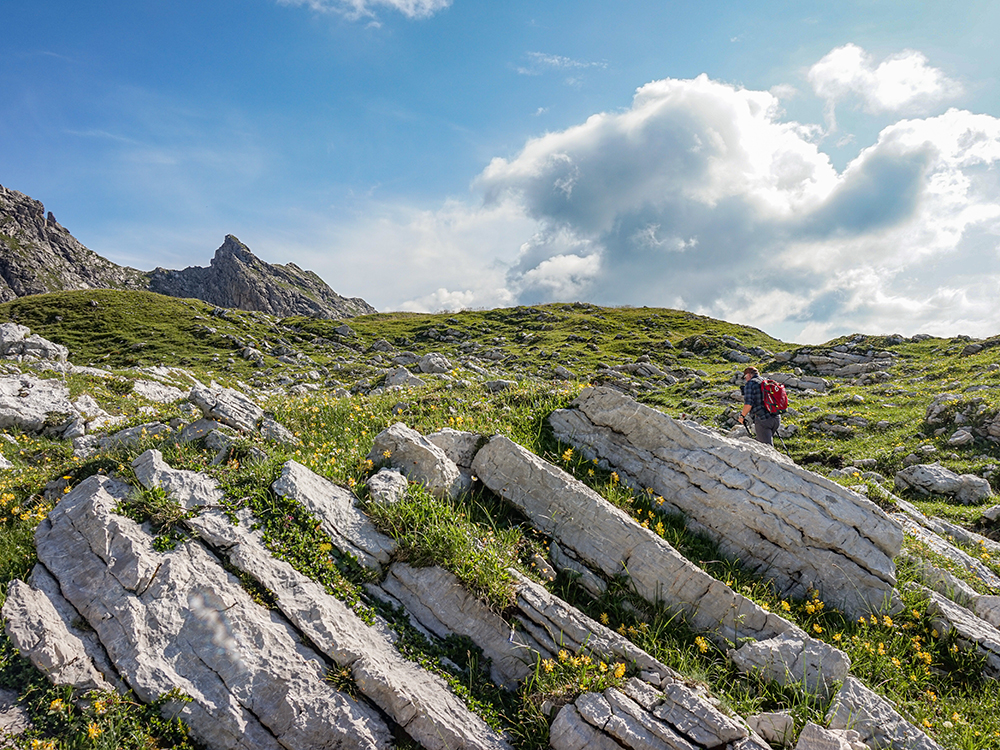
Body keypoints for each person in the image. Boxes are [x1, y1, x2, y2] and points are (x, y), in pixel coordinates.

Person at [738, 366, 780, 446]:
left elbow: (748, 404)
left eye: (745, 377)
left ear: (748, 375)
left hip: (763, 419)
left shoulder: (750, 383)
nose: (745, 379)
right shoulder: (766, 381)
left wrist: (742, 416)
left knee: (767, 448)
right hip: (776, 418)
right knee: (765, 443)